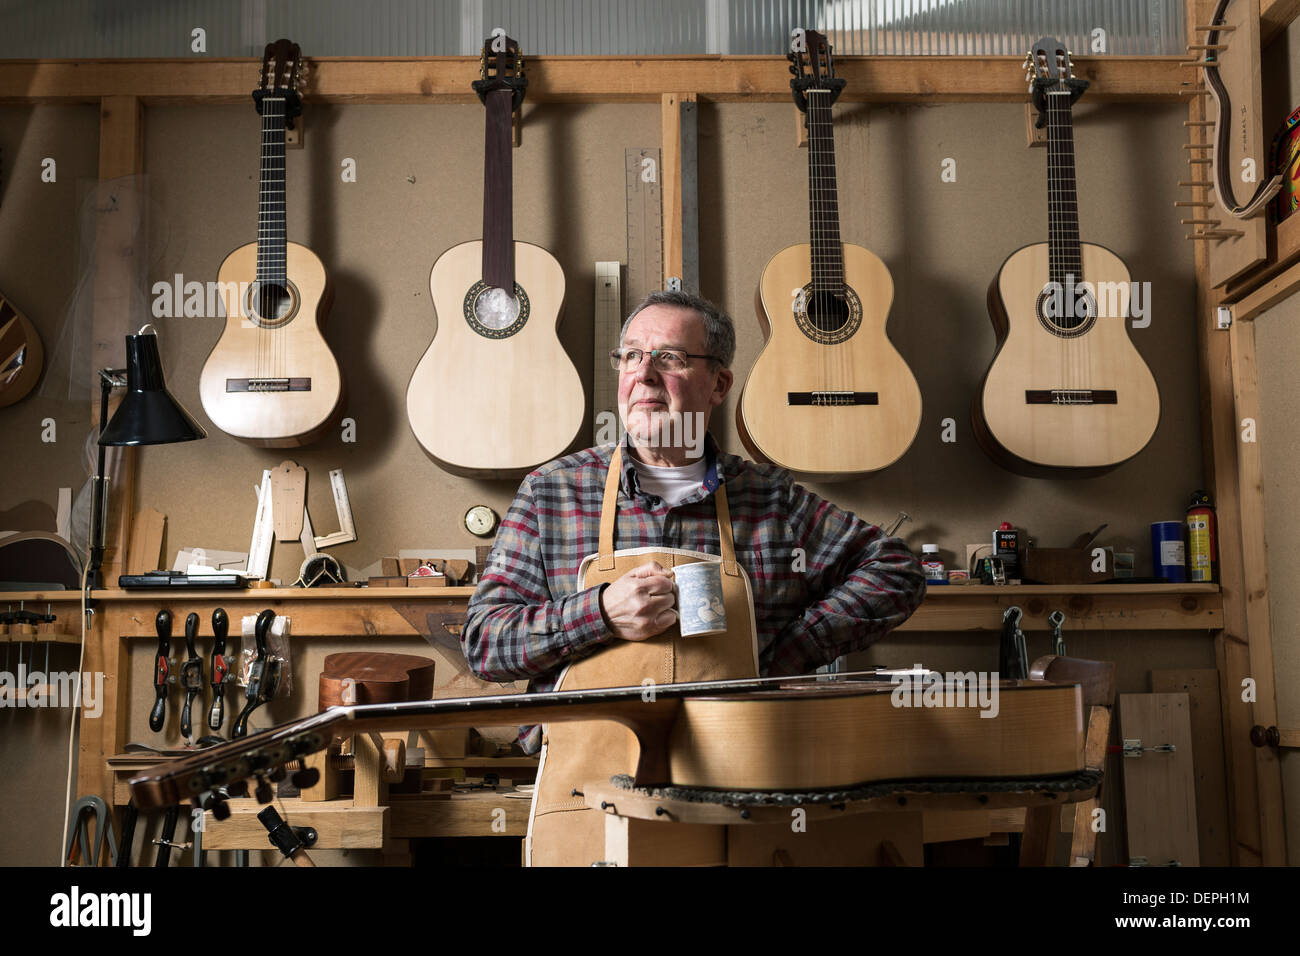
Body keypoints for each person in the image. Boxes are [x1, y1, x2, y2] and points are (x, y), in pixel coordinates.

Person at [461, 289, 926, 755]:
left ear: (719, 385)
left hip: (743, 767)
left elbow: (895, 570)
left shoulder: (770, 498)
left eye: (670, 358)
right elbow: (485, 643)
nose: (643, 374)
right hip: (585, 777)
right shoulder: (552, 492)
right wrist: (598, 613)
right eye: (631, 356)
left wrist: (785, 656)